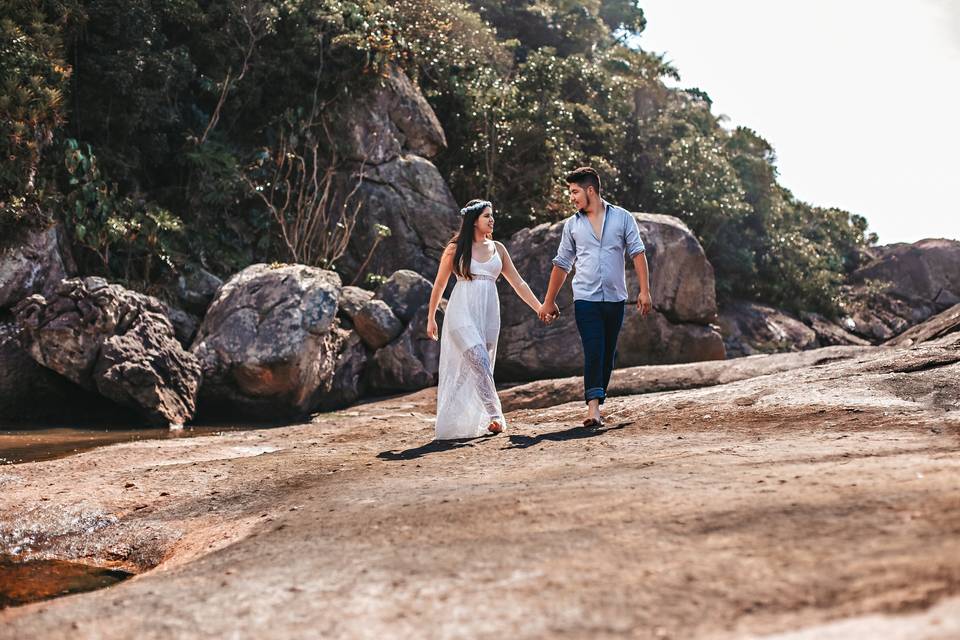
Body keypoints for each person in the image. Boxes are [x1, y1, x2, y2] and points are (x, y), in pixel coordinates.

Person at [540, 167, 653, 427]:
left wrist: (644, 291)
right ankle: (593, 410)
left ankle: (597, 398)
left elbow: (637, 253)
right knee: (593, 349)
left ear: (590, 190)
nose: (572, 197)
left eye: (575, 192)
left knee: (607, 354)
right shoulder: (572, 225)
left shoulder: (623, 218)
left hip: (615, 299)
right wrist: (549, 300)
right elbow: (562, 263)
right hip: (585, 298)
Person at [426, 200, 546, 440]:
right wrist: (431, 318)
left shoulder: (498, 249)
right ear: (473, 220)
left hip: (489, 314)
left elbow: (519, 283)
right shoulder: (455, 249)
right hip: (461, 311)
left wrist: (539, 307)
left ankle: (452, 414)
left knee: (472, 370)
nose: (492, 220)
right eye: (487, 216)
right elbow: (440, 283)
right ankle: (496, 415)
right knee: (479, 361)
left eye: (492, 215)